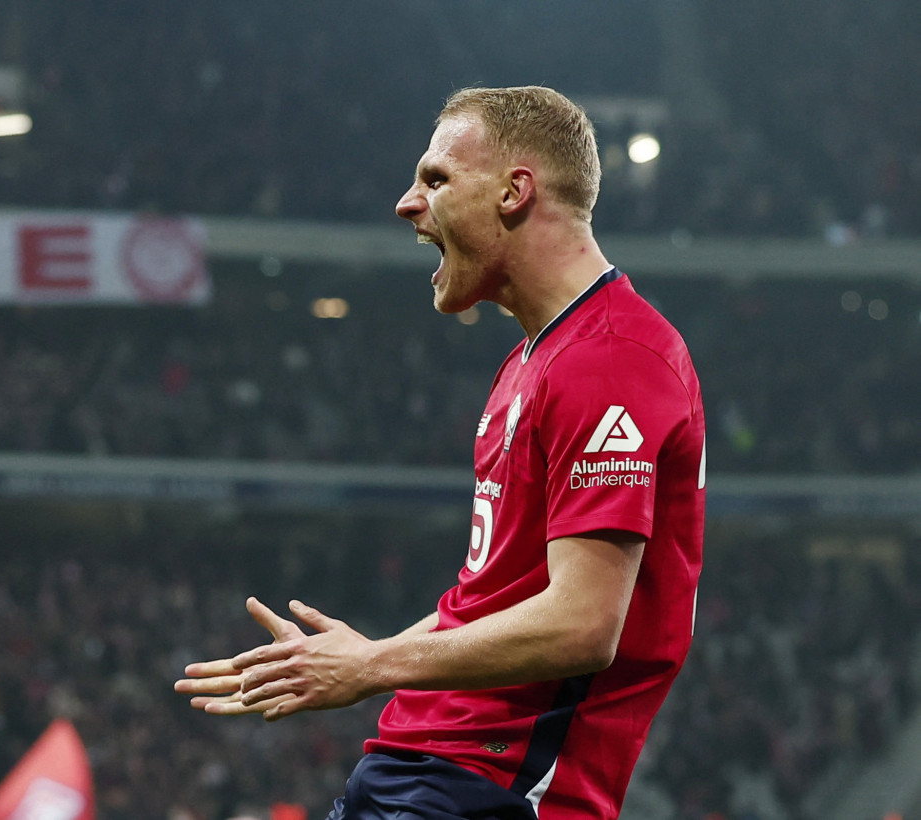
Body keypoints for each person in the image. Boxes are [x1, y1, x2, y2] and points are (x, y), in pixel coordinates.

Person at [175, 86, 706, 820]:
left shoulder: (612, 359)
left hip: (490, 785)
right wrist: (365, 655)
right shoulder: (534, 361)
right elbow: (498, 595)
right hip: (424, 765)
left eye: (436, 178)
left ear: (515, 192)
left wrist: (372, 664)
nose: (407, 204)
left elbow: (584, 624)